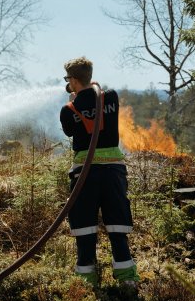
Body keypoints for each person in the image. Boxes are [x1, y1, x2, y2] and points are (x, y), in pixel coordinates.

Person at [59, 56, 139, 288]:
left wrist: (76, 99)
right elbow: (98, 100)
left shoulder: (67, 110)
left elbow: (70, 132)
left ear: (73, 80)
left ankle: (86, 281)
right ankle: (127, 280)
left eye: (68, 79)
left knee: (84, 225)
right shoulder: (110, 96)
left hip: (84, 174)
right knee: (117, 224)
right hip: (114, 171)